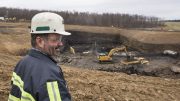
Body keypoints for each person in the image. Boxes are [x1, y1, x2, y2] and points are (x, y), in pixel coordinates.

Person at [8, 12, 71, 101]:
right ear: (40, 41)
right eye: (55, 40)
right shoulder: (50, 76)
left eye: (60, 39)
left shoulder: (23, 62)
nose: (60, 43)